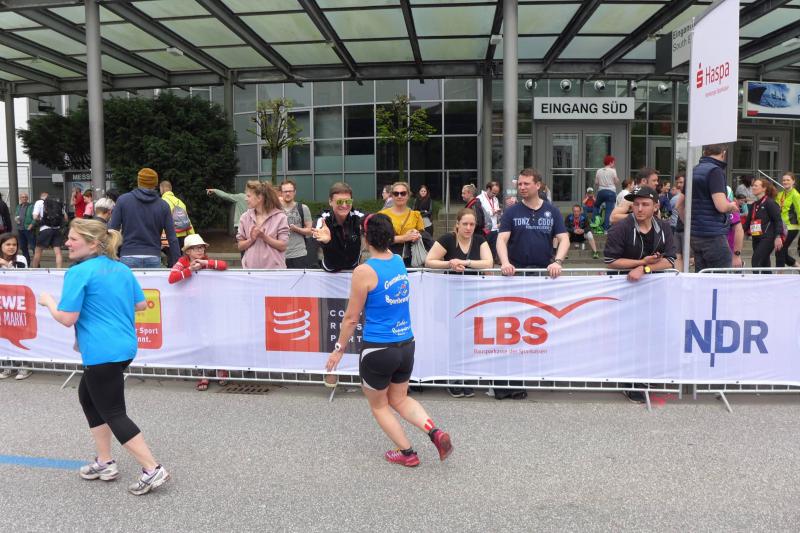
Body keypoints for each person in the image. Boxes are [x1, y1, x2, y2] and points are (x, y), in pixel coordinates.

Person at [38, 219, 170, 495]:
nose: (67, 243)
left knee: (113, 412)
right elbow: (140, 304)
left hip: (102, 350)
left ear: (93, 243)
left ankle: (152, 468)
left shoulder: (78, 272)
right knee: (88, 397)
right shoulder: (121, 268)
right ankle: (105, 461)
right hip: (124, 347)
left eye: (73, 239)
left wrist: (48, 301)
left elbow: (67, 318)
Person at [325, 213, 453, 467]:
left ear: (365, 238)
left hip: (378, 348)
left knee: (380, 405)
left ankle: (407, 453)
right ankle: (434, 431)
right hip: (405, 343)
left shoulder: (364, 271)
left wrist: (338, 349)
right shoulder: (397, 261)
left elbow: (350, 318)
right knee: (400, 399)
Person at [603, 186, 676, 403]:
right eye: (636, 204)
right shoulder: (621, 227)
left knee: (650, 335)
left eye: (645, 204)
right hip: (625, 291)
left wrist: (645, 268)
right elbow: (611, 260)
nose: (640, 208)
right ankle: (630, 382)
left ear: (656, 207)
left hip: (653, 291)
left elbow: (670, 260)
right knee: (629, 337)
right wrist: (641, 262)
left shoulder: (664, 227)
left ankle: (646, 376)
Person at [424, 208, 492, 399]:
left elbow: (488, 262)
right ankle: (453, 378)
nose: (468, 228)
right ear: (457, 224)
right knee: (454, 339)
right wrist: (449, 264)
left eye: (472, 224)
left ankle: (466, 377)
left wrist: (466, 262)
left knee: (469, 339)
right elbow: (429, 261)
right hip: (450, 298)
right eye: (465, 224)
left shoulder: (479, 240)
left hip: (473, 298)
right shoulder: (447, 239)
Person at [167, 233, 229, 391]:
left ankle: (221, 369)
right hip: (191, 307)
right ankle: (204, 374)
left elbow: (224, 265)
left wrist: (205, 263)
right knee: (197, 339)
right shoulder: (183, 262)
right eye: (196, 248)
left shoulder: (206, 260)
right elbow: (172, 278)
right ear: (188, 251)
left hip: (209, 305)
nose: (200, 250)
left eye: (201, 247)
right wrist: (189, 269)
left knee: (215, 338)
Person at [497, 168, 569, 278]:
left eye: (526, 184)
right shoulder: (511, 212)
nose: (522, 187)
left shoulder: (553, 211)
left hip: (545, 272)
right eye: (520, 184)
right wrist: (505, 262)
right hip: (515, 272)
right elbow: (501, 239)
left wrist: (557, 262)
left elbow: (564, 239)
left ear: (538, 185)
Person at [109, 168, 180, 268]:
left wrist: (109, 256)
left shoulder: (123, 200)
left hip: (128, 253)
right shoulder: (163, 205)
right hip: (153, 255)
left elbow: (112, 230)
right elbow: (172, 237)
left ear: (138, 182)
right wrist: (177, 262)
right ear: (155, 184)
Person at [687, 144, 738, 272]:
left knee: (702, 277)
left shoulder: (693, 170)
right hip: (713, 235)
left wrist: (691, 226)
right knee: (721, 278)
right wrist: (731, 205)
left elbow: (679, 204)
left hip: (695, 235)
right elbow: (721, 206)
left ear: (705, 152)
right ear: (723, 153)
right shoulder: (715, 171)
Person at [0, 232, 32, 380]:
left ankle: (24, 366)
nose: (11, 247)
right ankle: (7, 365)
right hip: (2, 304)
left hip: (17, 302)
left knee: (19, 334)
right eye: (8, 244)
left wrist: (6, 266)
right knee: (3, 334)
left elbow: (21, 278)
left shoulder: (21, 259)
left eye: (14, 244)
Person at [313, 182, 364, 272]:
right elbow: (317, 231)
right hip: (330, 269)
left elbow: (375, 224)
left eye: (348, 201)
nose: (344, 205)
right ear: (330, 202)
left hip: (353, 268)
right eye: (339, 202)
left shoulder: (359, 217)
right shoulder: (323, 219)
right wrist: (327, 241)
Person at [237, 181, 289, 269]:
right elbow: (240, 246)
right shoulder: (244, 217)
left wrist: (264, 237)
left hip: (274, 272)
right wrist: (251, 239)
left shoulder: (280, 217)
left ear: (259, 198)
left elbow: (283, 246)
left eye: (249, 196)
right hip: (250, 272)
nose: (246, 199)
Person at [380, 181, 424, 266]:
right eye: (396, 193)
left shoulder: (416, 215)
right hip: (387, 258)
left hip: (410, 259)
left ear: (408, 195)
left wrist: (416, 235)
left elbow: (422, 237)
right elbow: (378, 239)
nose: (399, 196)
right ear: (392, 196)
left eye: (403, 193)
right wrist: (404, 238)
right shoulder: (382, 215)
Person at [747, 177, 784, 271]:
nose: (753, 187)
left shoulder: (770, 203)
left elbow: (778, 220)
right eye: (753, 185)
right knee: (764, 264)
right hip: (756, 237)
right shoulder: (754, 205)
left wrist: (778, 236)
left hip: (768, 237)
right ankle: (768, 280)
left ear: (764, 188)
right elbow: (747, 224)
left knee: (756, 261)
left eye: (756, 186)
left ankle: (757, 281)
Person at [279, 179, 313, 269]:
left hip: (299, 254)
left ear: (295, 192)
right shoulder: (275, 210)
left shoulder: (303, 208)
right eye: (285, 191)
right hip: (280, 254)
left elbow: (309, 231)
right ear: (281, 193)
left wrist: (296, 229)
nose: (287, 194)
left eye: (290, 191)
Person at [31, 191, 67, 268]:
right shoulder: (57, 203)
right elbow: (66, 218)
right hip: (57, 229)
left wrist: (41, 220)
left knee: (38, 252)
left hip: (45, 229)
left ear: (41, 197)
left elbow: (35, 217)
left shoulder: (39, 202)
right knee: (58, 252)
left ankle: (34, 270)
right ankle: (59, 270)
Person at [159, 180, 195, 249]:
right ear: (171, 188)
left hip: (169, 237)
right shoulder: (180, 202)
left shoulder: (161, 202)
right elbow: (187, 220)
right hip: (183, 236)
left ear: (161, 189)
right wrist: (192, 236)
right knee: (180, 255)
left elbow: (159, 221)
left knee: (171, 255)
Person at [776, 172, 800, 268]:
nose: (785, 182)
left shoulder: (796, 195)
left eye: (788, 180)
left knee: (780, 250)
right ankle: (797, 267)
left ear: (793, 181)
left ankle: (779, 275)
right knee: (782, 252)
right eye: (784, 180)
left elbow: (799, 212)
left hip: (791, 227)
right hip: (781, 226)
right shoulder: (780, 194)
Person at [595, 155, 620, 230]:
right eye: (613, 162)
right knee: (609, 210)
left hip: (601, 191)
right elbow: (616, 181)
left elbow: (596, 182)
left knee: (596, 207)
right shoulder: (613, 171)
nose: (614, 164)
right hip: (610, 192)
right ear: (610, 162)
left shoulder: (599, 171)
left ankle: (595, 225)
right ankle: (606, 229)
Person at [477, 181, 501, 256]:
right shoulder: (479, 198)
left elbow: (496, 212)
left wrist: (498, 214)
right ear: (488, 189)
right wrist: (491, 212)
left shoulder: (495, 199)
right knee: (484, 252)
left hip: (495, 229)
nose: (495, 195)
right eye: (493, 193)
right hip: (485, 229)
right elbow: (479, 214)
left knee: (493, 252)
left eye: (496, 193)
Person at [669, 175, 686, 271]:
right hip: (678, 229)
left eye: (681, 182)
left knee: (689, 257)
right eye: (677, 182)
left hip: (687, 230)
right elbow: (676, 206)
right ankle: (679, 276)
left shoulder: (690, 195)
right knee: (677, 255)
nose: (679, 185)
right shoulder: (678, 197)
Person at [15, 192, 35, 265]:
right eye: (22, 197)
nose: (24, 198)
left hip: (29, 229)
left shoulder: (31, 206)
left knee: (33, 247)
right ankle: (27, 263)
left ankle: (36, 264)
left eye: (25, 197)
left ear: (27, 198)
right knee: (23, 247)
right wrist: (16, 219)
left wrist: (31, 225)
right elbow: (16, 215)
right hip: (20, 229)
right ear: (20, 198)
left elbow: (35, 217)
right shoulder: (18, 206)